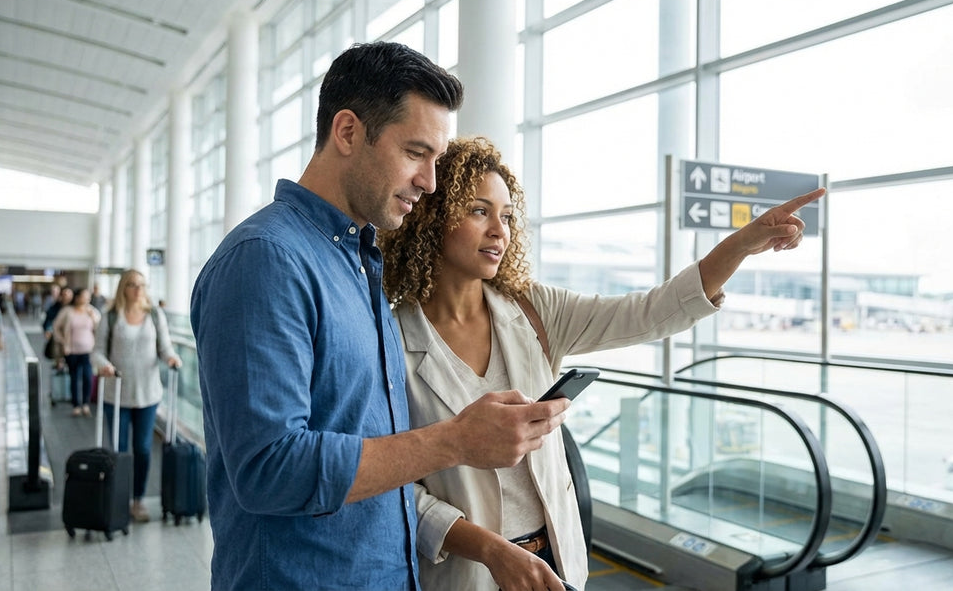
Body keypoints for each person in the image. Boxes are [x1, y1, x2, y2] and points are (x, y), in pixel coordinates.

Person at [190, 42, 570, 591]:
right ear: (347, 132)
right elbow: (267, 469)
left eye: (436, 159)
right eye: (416, 152)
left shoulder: (359, 262)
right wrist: (456, 441)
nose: (431, 182)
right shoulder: (266, 259)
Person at [377, 136, 827, 591]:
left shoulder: (535, 310)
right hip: (468, 570)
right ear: (431, 218)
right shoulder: (390, 339)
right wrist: (491, 550)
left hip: (555, 559)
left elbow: (651, 312)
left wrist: (743, 244)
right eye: (479, 211)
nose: (500, 230)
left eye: (507, 216)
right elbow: (393, 484)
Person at [92, 269, 181, 523]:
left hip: (147, 394)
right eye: (132, 285)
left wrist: (172, 358)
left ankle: (138, 499)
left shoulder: (155, 315)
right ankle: (119, 497)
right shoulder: (110, 316)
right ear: (123, 288)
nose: (138, 289)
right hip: (116, 394)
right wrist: (103, 365)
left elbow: (164, 347)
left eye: (142, 285)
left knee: (142, 448)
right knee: (119, 449)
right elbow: (97, 351)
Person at [54, 287, 100, 417]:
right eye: (84, 296)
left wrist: (93, 317)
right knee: (74, 378)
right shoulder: (68, 311)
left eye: (88, 296)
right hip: (72, 350)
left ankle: (85, 403)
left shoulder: (92, 311)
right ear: (78, 297)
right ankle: (76, 405)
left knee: (87, 377)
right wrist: (63, 342)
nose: (87, 299)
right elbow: (56, 327)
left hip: (88, 350)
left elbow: (99, 328)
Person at [43, 286, 73, 365]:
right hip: (58, 337)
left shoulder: (75, 308)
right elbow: (49, 320)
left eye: (68, 295)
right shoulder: (55, 307)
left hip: (72, 338)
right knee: (59, 358)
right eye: (64, 294)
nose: (66, 297)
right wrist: (48, 330)